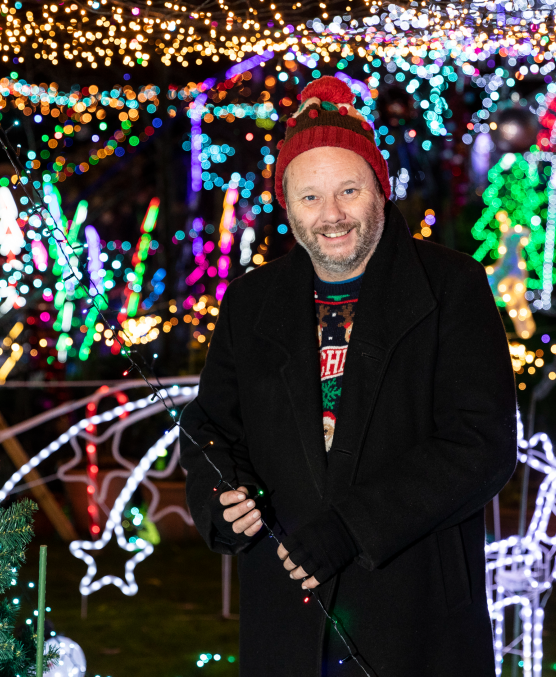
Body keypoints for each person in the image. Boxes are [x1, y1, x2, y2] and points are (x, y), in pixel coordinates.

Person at [180, 75, 517, 676]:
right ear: (285, 204)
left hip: (416, 618)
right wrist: (221, 495)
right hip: (287, 621)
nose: (331, 215)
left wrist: (351, 529)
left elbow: (480, 446)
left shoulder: (452, 287)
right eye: (309, 197)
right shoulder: (251, 302)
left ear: (380, 192)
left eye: (348, 191)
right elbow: (211, 429)